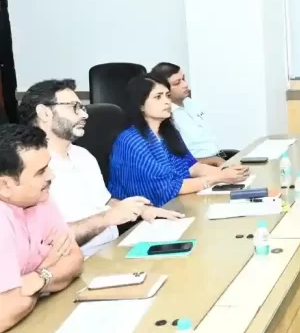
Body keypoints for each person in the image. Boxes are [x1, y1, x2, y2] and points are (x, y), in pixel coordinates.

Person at [17, 79, 184, 258]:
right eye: (74, 107)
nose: (84, 115)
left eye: (82, 108)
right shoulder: (31, 169)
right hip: (78, 261)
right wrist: (107, 218)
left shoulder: (82, 155)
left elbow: (104, 202)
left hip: (114, 249)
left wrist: (141, 210)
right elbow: (49, 242)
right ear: (44, 113)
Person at [108, 75, 249, 207]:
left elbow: (192, 166)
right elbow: (164, 189)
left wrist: (226, 172)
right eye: (158, 97)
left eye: (168, 95)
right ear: (140, 105)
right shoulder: (131, 142)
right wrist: (218, 178)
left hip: (176, 204)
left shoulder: (168, 132)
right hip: (142, 214)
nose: (166, 101)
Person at [0, 124, 83, 333]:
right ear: (5, 186)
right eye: (40, 172)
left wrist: (39, 278)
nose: (51, 176)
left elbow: (74, 259)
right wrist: (48, 270)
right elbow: (4, 312)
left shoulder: (39, 197)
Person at [149, 62, 235, 167]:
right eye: (177, 83)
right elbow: (174, 161)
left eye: (183, 79)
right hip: (200, 167)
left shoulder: (190, 103)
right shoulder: (164, 117)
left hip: (219, 158)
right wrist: (213, 161)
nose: (185, 84)